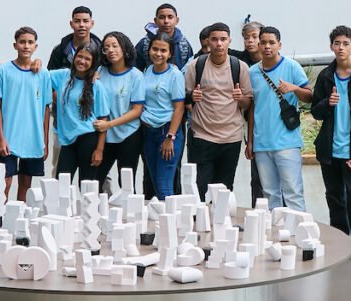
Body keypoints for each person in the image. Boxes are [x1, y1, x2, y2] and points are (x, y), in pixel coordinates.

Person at [311, 26, 351, 262]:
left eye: (345, 43)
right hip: (330, 149)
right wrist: (327, 103)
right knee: (334, 197)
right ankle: (340, 241)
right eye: (337, 43)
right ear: (331, 46)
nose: (341, 48)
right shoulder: (326, 76)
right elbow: (315, 111)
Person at [184, 22, 253, 201]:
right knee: (199, 188)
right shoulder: (196, 65)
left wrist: (240, 98)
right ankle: (198, 219)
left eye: (223, 39)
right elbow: (185, 99)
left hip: (231, 137)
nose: (219, 44)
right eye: (214, 39)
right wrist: (192, 97)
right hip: (201, 135)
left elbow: (248, 102)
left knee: (224, 191)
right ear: (208, 41)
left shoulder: (240, 67)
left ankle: (219, 219)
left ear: (230, 41)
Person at [246, 27, 311, 210]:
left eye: (272, 42)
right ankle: (276, 228)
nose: (267, 46)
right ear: (258, 45)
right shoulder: (252, 72)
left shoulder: (292, 66)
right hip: (262, 143)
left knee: (293, 192)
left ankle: (299, 227)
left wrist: (294, 88)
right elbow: (252, 107)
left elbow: (309, 96)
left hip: (287, 142)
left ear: (279, 45)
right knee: (269, 194)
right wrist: (250, 141)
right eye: (263, 42)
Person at [0, 27, 51, 202]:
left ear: (35, 46)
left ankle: (20, 215)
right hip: (9, 137)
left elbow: (46, 109)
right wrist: (1, 138)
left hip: (32, 138)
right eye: (22, 42)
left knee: (26, 182)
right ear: (15, 45)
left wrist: (45, 141)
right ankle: (0, 215)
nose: (26, 46)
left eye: (30, 42)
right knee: (5, 182)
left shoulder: (43, 74)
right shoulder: (3, 71)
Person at [46, 6, 103, 175]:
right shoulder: (60, 50)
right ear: (71, 23)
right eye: (77, 21)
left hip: (90, 126)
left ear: (92, 23)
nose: (81, 25)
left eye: (85, 21)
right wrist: (63, 98)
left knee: (96, 177)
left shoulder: (102, 50)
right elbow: (47, 80)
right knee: (59, 171)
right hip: (63, 123)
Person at [50, 45, 110, 184]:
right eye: (80, 56)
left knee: (87, 186)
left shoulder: (97, 85)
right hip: (67, 140)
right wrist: (37, 62)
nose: (82, 61)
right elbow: (41, 74)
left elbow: (103, 119)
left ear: (93, 63)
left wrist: (99, 150)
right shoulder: (63, 75)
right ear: (74, 57)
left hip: (88, 139)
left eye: (87, 59)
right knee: (61, 184)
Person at [94, 32, 145, 190]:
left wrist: (109, 124)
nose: (110, 50)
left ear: (124, 48)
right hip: (104, 136)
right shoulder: (100, 72)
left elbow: (137, 111)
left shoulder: (136, 76)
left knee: (126, 184)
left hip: (128, 134)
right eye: (106, 47)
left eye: (115, 46)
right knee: (94, 181)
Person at [141, 33, 186, 200]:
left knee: (164, 185)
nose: (158, 54)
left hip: (166, 131)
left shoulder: (175, 75)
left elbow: (179, 108)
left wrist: (170, 137)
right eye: (155, 49)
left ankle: (171, 216)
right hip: (148, 132)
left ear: (170, 53)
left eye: (163, 50)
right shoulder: (147, 71)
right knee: (155, 182)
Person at [230, 19, 264, 205]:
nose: (250, 41)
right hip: (249, 121)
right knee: (257, 175)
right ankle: (257, 212)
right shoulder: (239, 61)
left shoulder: (273, 61)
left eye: (254, 37)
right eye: (246, 38)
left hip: (271, 121)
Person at [134, 3, 194, 71]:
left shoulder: (184, 45)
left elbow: (189, 70)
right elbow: (135, 69)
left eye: (170, 17)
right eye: (162, 17)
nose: (166, 21)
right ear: (155, 21)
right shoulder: (144, 44)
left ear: (177, 20)